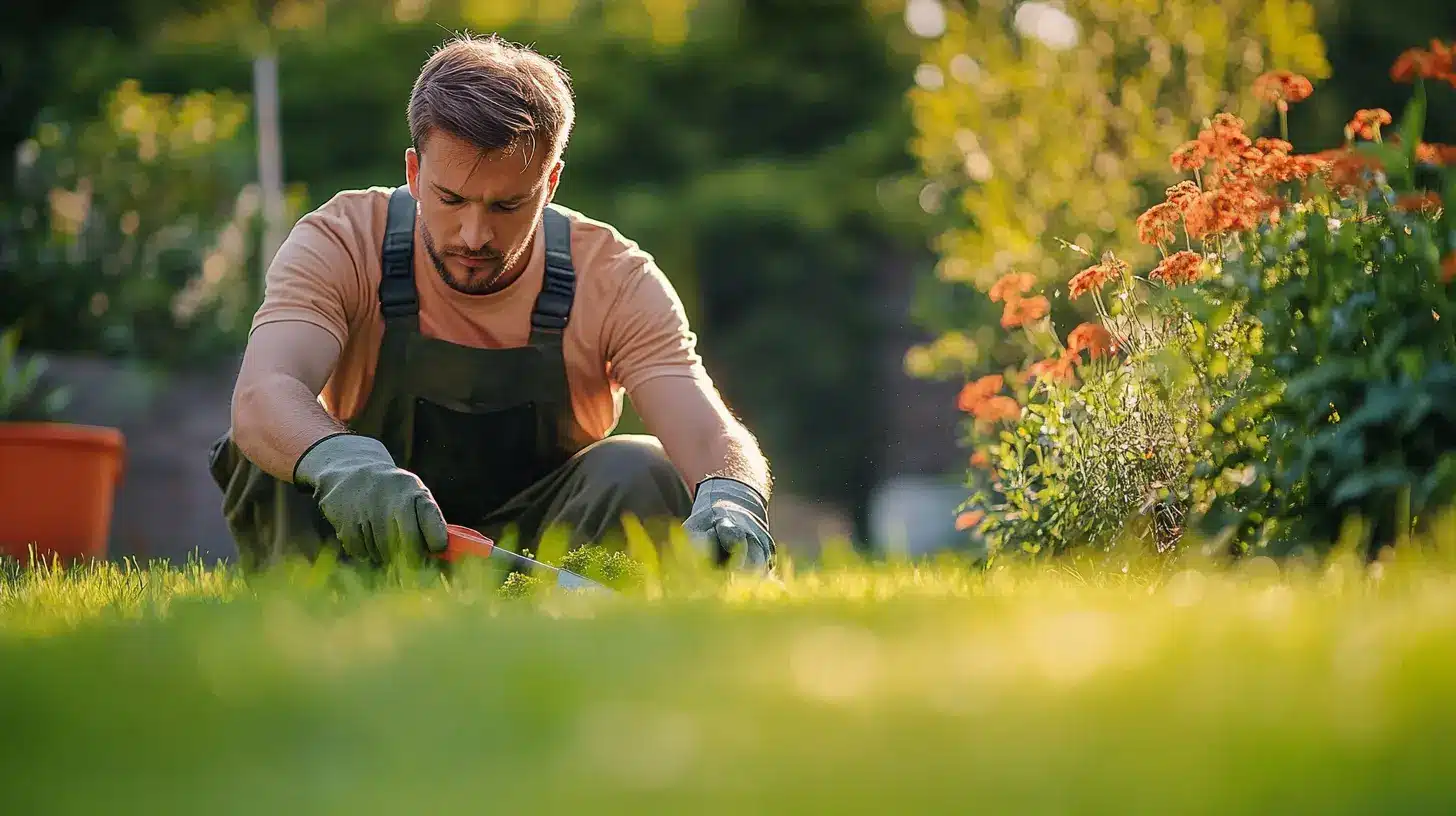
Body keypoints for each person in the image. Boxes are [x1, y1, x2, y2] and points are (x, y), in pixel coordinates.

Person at [208, 33, 777, 576]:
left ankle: (584, 632)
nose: (474, 235)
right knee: (270, 445)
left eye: (507, 205)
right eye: (451, 199)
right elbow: (264, 391)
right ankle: (315, 623)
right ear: (413, 171)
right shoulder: (344, 239)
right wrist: (341, 461)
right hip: (363, 537)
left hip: (543, 561)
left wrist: (733, 498)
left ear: (550, 183)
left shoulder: (614, 277)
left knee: (645, 467)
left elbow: (707, 431)